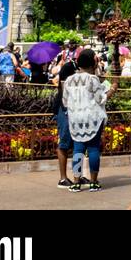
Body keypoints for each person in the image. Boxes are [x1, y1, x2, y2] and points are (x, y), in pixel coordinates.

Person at [61, 48, 111, 191]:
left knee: (78, 150)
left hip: (76, 120)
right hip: (93, 119)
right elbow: (100, 99)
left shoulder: (69, 80)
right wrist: (111, 90)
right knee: (93, 149)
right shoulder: (92, 79)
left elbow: (65, 101)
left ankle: (76, 182)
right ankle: (93, 182)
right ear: (92, 63)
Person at [52, 48, 78, 189]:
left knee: (77, 145)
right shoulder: (66, 81)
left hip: (72, 111)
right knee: (64, 143)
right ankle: (63, 178)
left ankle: (77, 175)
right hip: (65, 111)